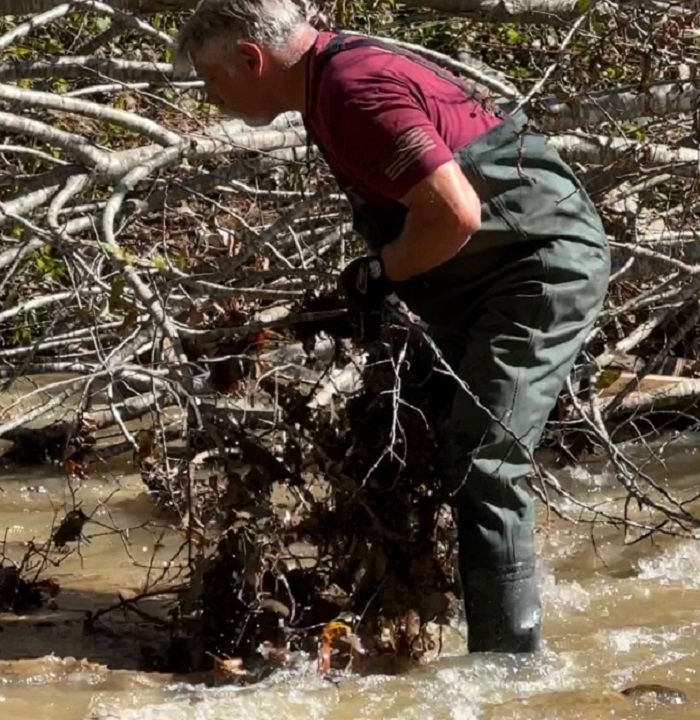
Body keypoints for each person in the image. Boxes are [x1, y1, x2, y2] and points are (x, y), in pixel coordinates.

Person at [173, 0, 610, 654]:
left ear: (249, 59)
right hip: (486, 273)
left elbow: (456, 213)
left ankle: (511, 666)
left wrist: (380, 273)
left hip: (539, 272)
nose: (211, 98)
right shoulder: (325, 83)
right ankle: (462, 616)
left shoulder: (351, 91)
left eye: (211, 81)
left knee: (486, 459)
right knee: (430, 439)